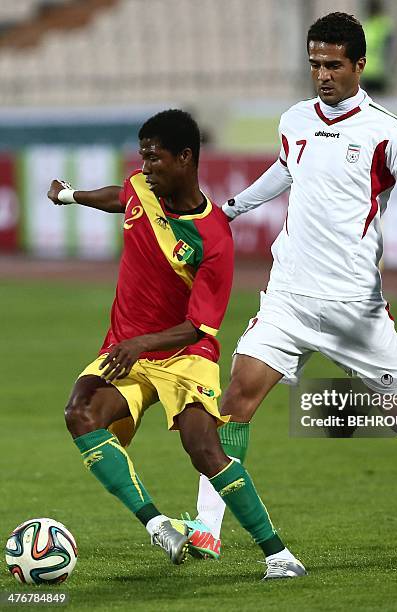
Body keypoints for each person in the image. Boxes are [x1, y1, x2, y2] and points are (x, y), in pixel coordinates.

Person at [182, 12, 397, 560]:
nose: (322, 74)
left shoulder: (384, 130)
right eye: (315, 63)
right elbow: (285, 168)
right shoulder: (295, 119)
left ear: (359, 66)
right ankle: (207, 527)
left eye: (334, 65)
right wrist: (231, 208)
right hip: (289, 296)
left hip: (354, 308)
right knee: (236, 400)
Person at [47, 109, 305, 580]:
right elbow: (120, 198)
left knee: (203, 447)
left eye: (155, 159)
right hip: (129, 350)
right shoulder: (142, 189)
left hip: (184, 355)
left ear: (185, 158)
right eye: (143, 158)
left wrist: (141, 342)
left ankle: (279, 556)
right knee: (80, 413)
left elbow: (199, 327)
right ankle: (158, 525)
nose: (146, 168)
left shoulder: (214, 238)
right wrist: (69, 196)